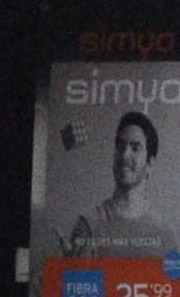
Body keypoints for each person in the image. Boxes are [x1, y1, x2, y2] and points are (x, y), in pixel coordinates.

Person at [65, 109, 174, 256]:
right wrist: (68, 269)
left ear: (150, 163)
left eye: (135, 148)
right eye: (120, 146)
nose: (124, 155)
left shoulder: (164, 233)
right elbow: (79, 277)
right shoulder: (89, 225)